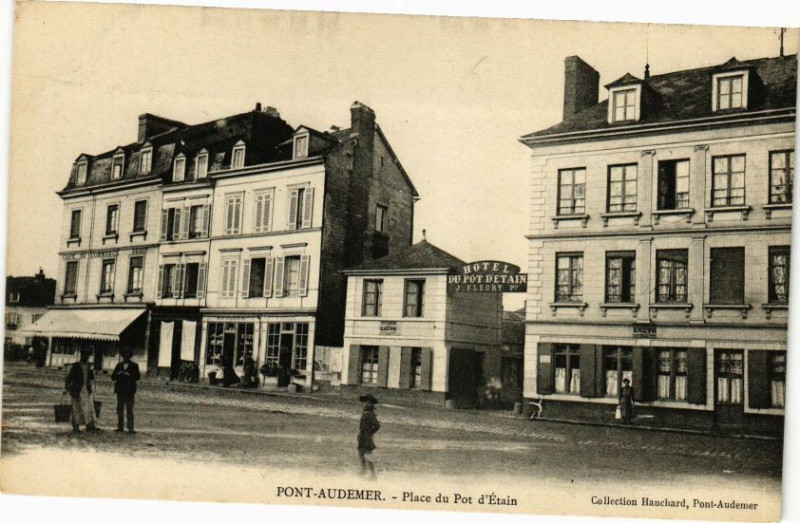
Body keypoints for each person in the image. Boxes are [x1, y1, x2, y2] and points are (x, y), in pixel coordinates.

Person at [64, 347, 99, 434]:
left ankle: (89, 425)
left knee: (88, 407)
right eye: (85, 355)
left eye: (87, 356)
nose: (86, 357)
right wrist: (67, 388)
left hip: (86, 389)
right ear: (82, 356)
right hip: (76, 389)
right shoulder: (76, 366)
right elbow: (69, 377)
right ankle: (76, 426)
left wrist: (92, 371)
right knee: (76, 407)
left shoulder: (88, 366)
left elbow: (91, 378)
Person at [111, 348, 141, 434]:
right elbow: (113, 377)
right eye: (124, 355)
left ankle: (130, 427)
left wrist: (129, 375)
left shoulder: (134, 366)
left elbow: (138, 377)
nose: (126, 357)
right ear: (123, 356)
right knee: (120, 409)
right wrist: (118, 374)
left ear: (130, 356)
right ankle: (120, 427)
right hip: (120, 390)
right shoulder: (119, 365)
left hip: (130, 390)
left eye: (128, 355)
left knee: (129, 409)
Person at [357, 394, 381, 479]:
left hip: (366, 436)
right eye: (365, 402)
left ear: (372, 404)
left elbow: (377, 425)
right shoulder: (365, 412)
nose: (366, 404)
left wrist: (369, 433)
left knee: (367, 454)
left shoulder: (371, 413)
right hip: (362, 435)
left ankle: (373, 474)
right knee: (361, 453)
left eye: (368, 402)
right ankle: (363, 471)